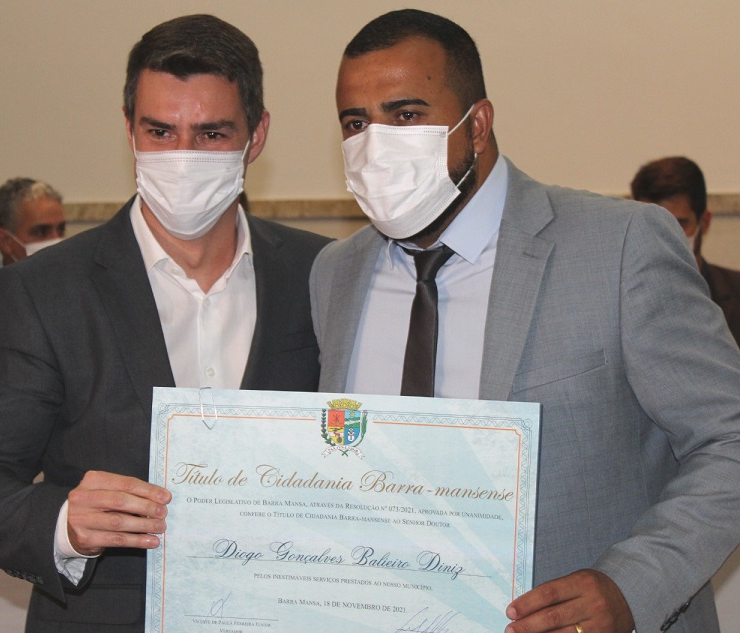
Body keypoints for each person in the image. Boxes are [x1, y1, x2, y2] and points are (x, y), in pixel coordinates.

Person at [310, 9, 740, 633]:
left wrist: (632, 587)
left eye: (406, 115)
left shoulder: (619, 245)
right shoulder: (335, 274)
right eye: (356, 123)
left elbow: (729, 439)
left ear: (478, 124)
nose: (376, 145)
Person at [0, 14, 329, 633]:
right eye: (160, 131)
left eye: (211, 133)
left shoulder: (321, 272)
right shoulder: (43, 289)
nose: (182, 157)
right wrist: (63, 524)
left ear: (257, 135)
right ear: (129, 129)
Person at [631, 156, 740, 345]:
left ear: (704, 222)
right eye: (655, 224)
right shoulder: (623, 301)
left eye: (680, 224)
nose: (669, 236)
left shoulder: (735, 290)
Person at [0, 177, 66, 377]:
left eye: (60, 229)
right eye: (41, 231)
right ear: (5, 241)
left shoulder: (82, 290)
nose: (56, 241)